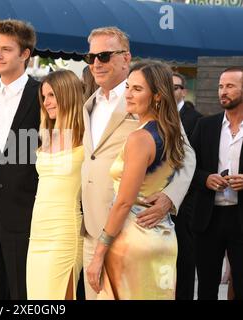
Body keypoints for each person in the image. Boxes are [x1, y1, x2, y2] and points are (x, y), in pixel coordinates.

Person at [80, 27, 196, 300]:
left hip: (129, 230)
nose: (97, 62)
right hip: (90, 228)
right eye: (92, 56)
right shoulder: (89, 103)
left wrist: (170, 196)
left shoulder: (144, 97)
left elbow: (186, 153)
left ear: (125, 57)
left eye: (105, 55)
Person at [0, 19, 39, 300]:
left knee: (22, 293)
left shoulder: (42, 95)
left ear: (25, 54)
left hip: (26, 214)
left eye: (7, 50)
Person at [26, 70, 85, 300]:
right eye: (44, 96)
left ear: (67, 95)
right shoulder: (47, 136)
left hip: (64, 234)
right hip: (37, 233)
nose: (47, 102)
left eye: (52, 95)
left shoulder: (87, 138)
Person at [190, 66, 243, 300]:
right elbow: (187, 167)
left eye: (230, 86)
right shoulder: (205, 125)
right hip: (208, 218)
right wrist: (206, 179)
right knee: (206, 287)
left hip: (241, 219)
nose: (223, 91)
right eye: (221, 86)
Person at [171, 71, 202, 300]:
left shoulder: (195, 118)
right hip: (153, 198)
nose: (171, 91)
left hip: (185, 200)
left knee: (184, 257)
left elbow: (194, 160)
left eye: (175, 87)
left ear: (183, 91)